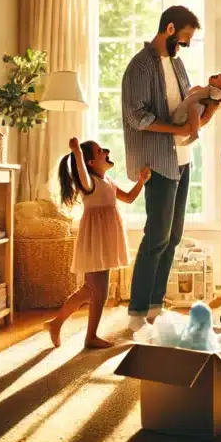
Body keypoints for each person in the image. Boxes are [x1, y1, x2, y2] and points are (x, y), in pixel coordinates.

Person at [121, 5, 221, 331]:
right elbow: (137, 117)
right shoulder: (139, 68)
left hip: (182, 160)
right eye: (185, 37)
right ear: (168, 29)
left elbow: (186, 108)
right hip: (159, 161)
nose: (187, 44)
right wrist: (177, 131)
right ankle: (137, 312)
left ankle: (154, 306)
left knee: (174, 236)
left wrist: (209, 109)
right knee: (156, 237)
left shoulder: (177, 65)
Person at [45, 137, 150, 349]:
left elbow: (129, 198)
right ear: (91, 162)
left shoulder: (108, 182)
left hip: (105, 238)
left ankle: (57, 324)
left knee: (90, 290)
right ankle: (88, 336)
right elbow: (82, 173)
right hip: (96, 239)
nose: (106, 151)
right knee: (98, 291)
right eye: (101, 150)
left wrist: (141, 181)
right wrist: (76, 151)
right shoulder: (89, 183)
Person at [171, 73, 221, 146]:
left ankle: (194, 134)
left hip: (189, 120)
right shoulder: (201, 89)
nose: (220, 74)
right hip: (183, 113)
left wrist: (194, 126)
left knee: (195, 107)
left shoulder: (213, 103)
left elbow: (206, 118)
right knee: (193, 107)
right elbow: (187, 96)